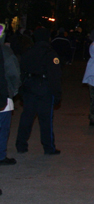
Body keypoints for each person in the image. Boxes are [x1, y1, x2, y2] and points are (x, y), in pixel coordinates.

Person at [15, 27, 62, 155]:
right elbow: (55, 76)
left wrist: (22, 90)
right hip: (45, 89)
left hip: (30, 87)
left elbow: (22, 71)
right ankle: (48, 148)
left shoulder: (28, 52)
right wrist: (57, 94)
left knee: (26, 118)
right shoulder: (50, 54)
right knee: (46, 120)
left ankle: (21, 145)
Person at [1, 24, 20, 165]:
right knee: (3, 128)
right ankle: (1, 155)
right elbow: (14, 74)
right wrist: (12, 92)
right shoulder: (6, 52)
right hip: (3, 95)